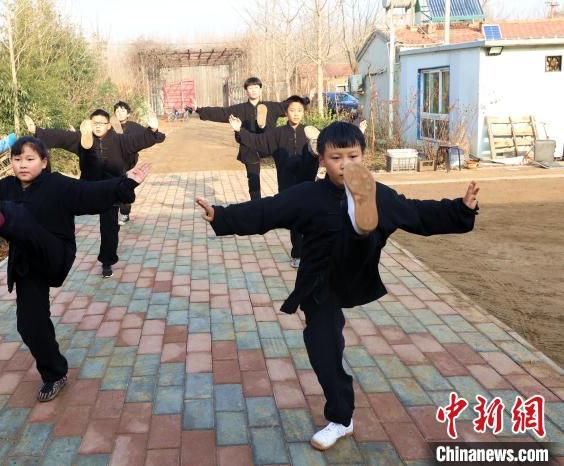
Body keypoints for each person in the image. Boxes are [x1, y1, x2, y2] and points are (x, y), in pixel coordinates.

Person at [195, 121, 480, 451]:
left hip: (356, 269)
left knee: (377, 221)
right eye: (336, 157)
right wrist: (222, 216)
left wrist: (461, 209)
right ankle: (341, 419)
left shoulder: (379, 194)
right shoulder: (308, 196)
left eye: (353, 156)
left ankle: (362, 224)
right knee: (323, 348)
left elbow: (418, 213)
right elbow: (267, 210)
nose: (345, 164)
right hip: (320, 283)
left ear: (363, 156)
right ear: (322, 160)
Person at [0, 136, 151, 402]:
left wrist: (126, 183)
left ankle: (0, 218)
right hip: (27, 264)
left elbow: (90, 192)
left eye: (30, 159)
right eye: (17, 159)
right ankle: (55, 374)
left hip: (54, 253)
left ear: (44, 162)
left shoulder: (59, 185)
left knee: (16, 213)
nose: (22, 164)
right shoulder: (6, 187)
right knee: (29, 325)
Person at [25, 110, 165, 278]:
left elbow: (138, 140)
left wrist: (152, 130)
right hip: (87, 189)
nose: (97, 126)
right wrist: (37, 131)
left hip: (110, 190)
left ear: (108, 125)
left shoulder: (120, 141)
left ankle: (107, 261)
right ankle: (55, 252)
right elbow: (62, 137)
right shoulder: (82, 139)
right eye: (94, 123)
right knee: (62, 212)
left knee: (109, 228)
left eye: (101, 123)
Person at [229, 95, 319, 267]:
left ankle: (311, 251)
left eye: (299, 111)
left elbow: (331, 141)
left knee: (310, 218)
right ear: (286, 112)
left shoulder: (310, 132)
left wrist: (356, 131)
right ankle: (298, 254)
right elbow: (257, 141)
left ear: (304, 113)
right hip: (287, 184)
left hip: (308, 182)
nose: (296, 114)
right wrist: (240, 130)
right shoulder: (278, 133)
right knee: (295, 219)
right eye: (292, 110)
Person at [192, 77, 287, 200]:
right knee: (253, 179)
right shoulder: (239, 109)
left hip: (268, 144)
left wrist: (306, 100)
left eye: (256, 88)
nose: (253, 90)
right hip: (250, 147)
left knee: (284, 171)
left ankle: (283, 200)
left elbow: (288, 106)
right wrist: (199, 109)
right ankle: (256, 204)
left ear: (260, 90)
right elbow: (222, 112)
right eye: (250, 88)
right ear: (246, 91)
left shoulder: (271, 106)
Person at [113, 101, 148, 225]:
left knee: (125, 186)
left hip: (129, 162)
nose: (120, 113)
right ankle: (113, 211)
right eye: (117, 111)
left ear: (128, 114)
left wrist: (154, 130)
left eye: (123, 111)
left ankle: (124, 213)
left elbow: (147, 135)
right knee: (113, 186)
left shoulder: (134, 127)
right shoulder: (109, 126)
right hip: (113, 161)